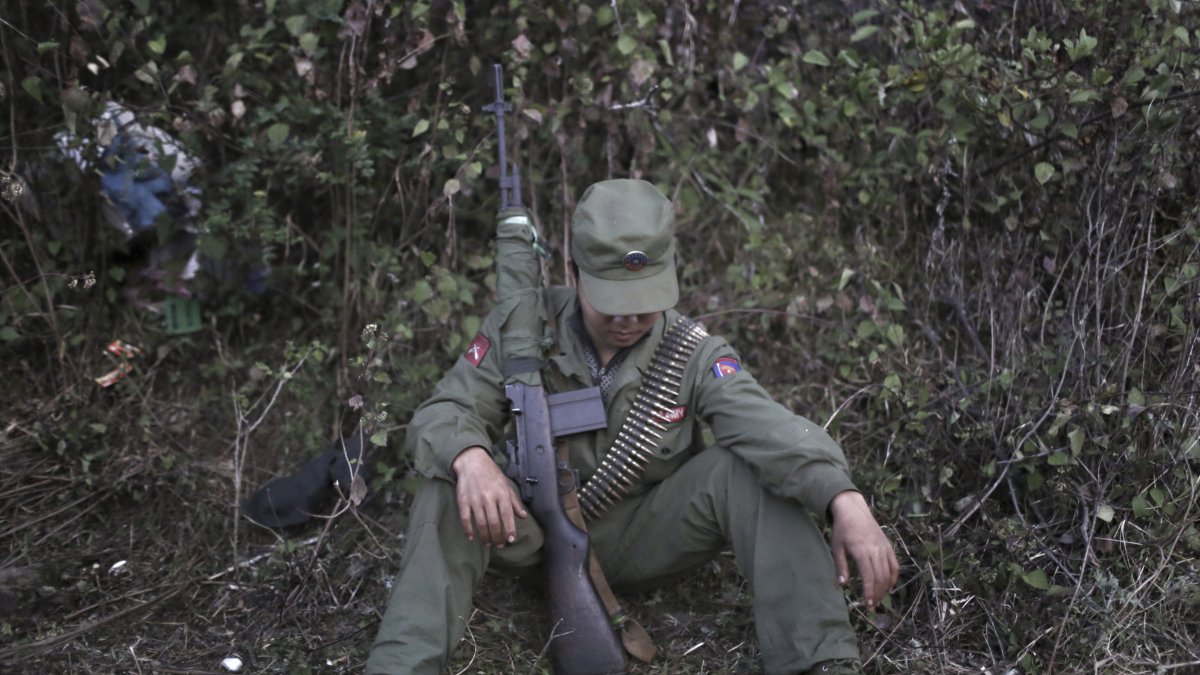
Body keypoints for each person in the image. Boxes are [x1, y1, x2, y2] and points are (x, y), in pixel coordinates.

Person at [366, 179, 899, 674]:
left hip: (643, 536)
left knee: (749, 466)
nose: (628, 321)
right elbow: (443, 412)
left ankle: (819, 659)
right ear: (572, 274)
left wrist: (843, 498)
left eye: (642, 305)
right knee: (448, 482)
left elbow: (767, 427)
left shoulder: (692, 353)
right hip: (524, 535)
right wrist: (470, 458)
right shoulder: (523, 330)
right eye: (611, 303)